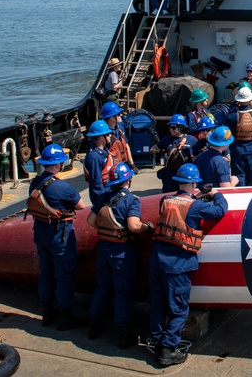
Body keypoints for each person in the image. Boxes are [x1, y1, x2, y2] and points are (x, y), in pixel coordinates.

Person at [149, 163, 228, 366]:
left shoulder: (165, 200)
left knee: (158, 304)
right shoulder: (196, 206)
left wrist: (195, 198)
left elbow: (179, 206)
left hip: (157, 261)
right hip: (178, 265)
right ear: (194, 183)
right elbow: (220, 211)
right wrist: (216, 194)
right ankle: (168, 349)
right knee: (178, 308)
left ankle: (157, 341)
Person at [27, 144, 87, 331]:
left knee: (45, 273)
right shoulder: (62, 186)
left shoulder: (34, 183)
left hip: (41, 234)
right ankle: (65, 315)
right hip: (60, 237)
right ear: (60, 164)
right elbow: (81, 206)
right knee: (64, 276)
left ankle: (47, 312)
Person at [88, 162, 146, 348]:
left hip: (104, 248)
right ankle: (124, 333)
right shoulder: (132, 201)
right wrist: (146, 227)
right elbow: (133, 226)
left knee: (102, 287)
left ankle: (94, 326)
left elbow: (91, 221)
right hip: (122, 252)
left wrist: (108, 232)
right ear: (128, 180)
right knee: (123, 292)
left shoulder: (103, 197)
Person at [221, 86, 252, 186]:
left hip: (237, 148)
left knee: (238, 175)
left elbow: (227, 130)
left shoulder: (233, 115)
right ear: (250, 99)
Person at [152, 114, 194, 193]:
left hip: (185, 175)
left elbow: (198, 153)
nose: (171, 130)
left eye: (174, 128)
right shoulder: (166, 139)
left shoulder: (191, 140)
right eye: (170, 127)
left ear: (181, 127)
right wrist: (155, 150)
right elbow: (155, 148)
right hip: (170, 176)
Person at [83, 119, 115, 210]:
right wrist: (103, 201)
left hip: (109, 191)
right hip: (103, 196)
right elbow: (96, 183)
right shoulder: (94, 157)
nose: (110, 136)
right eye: (108, 135)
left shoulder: (104, 151)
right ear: (101, 138)